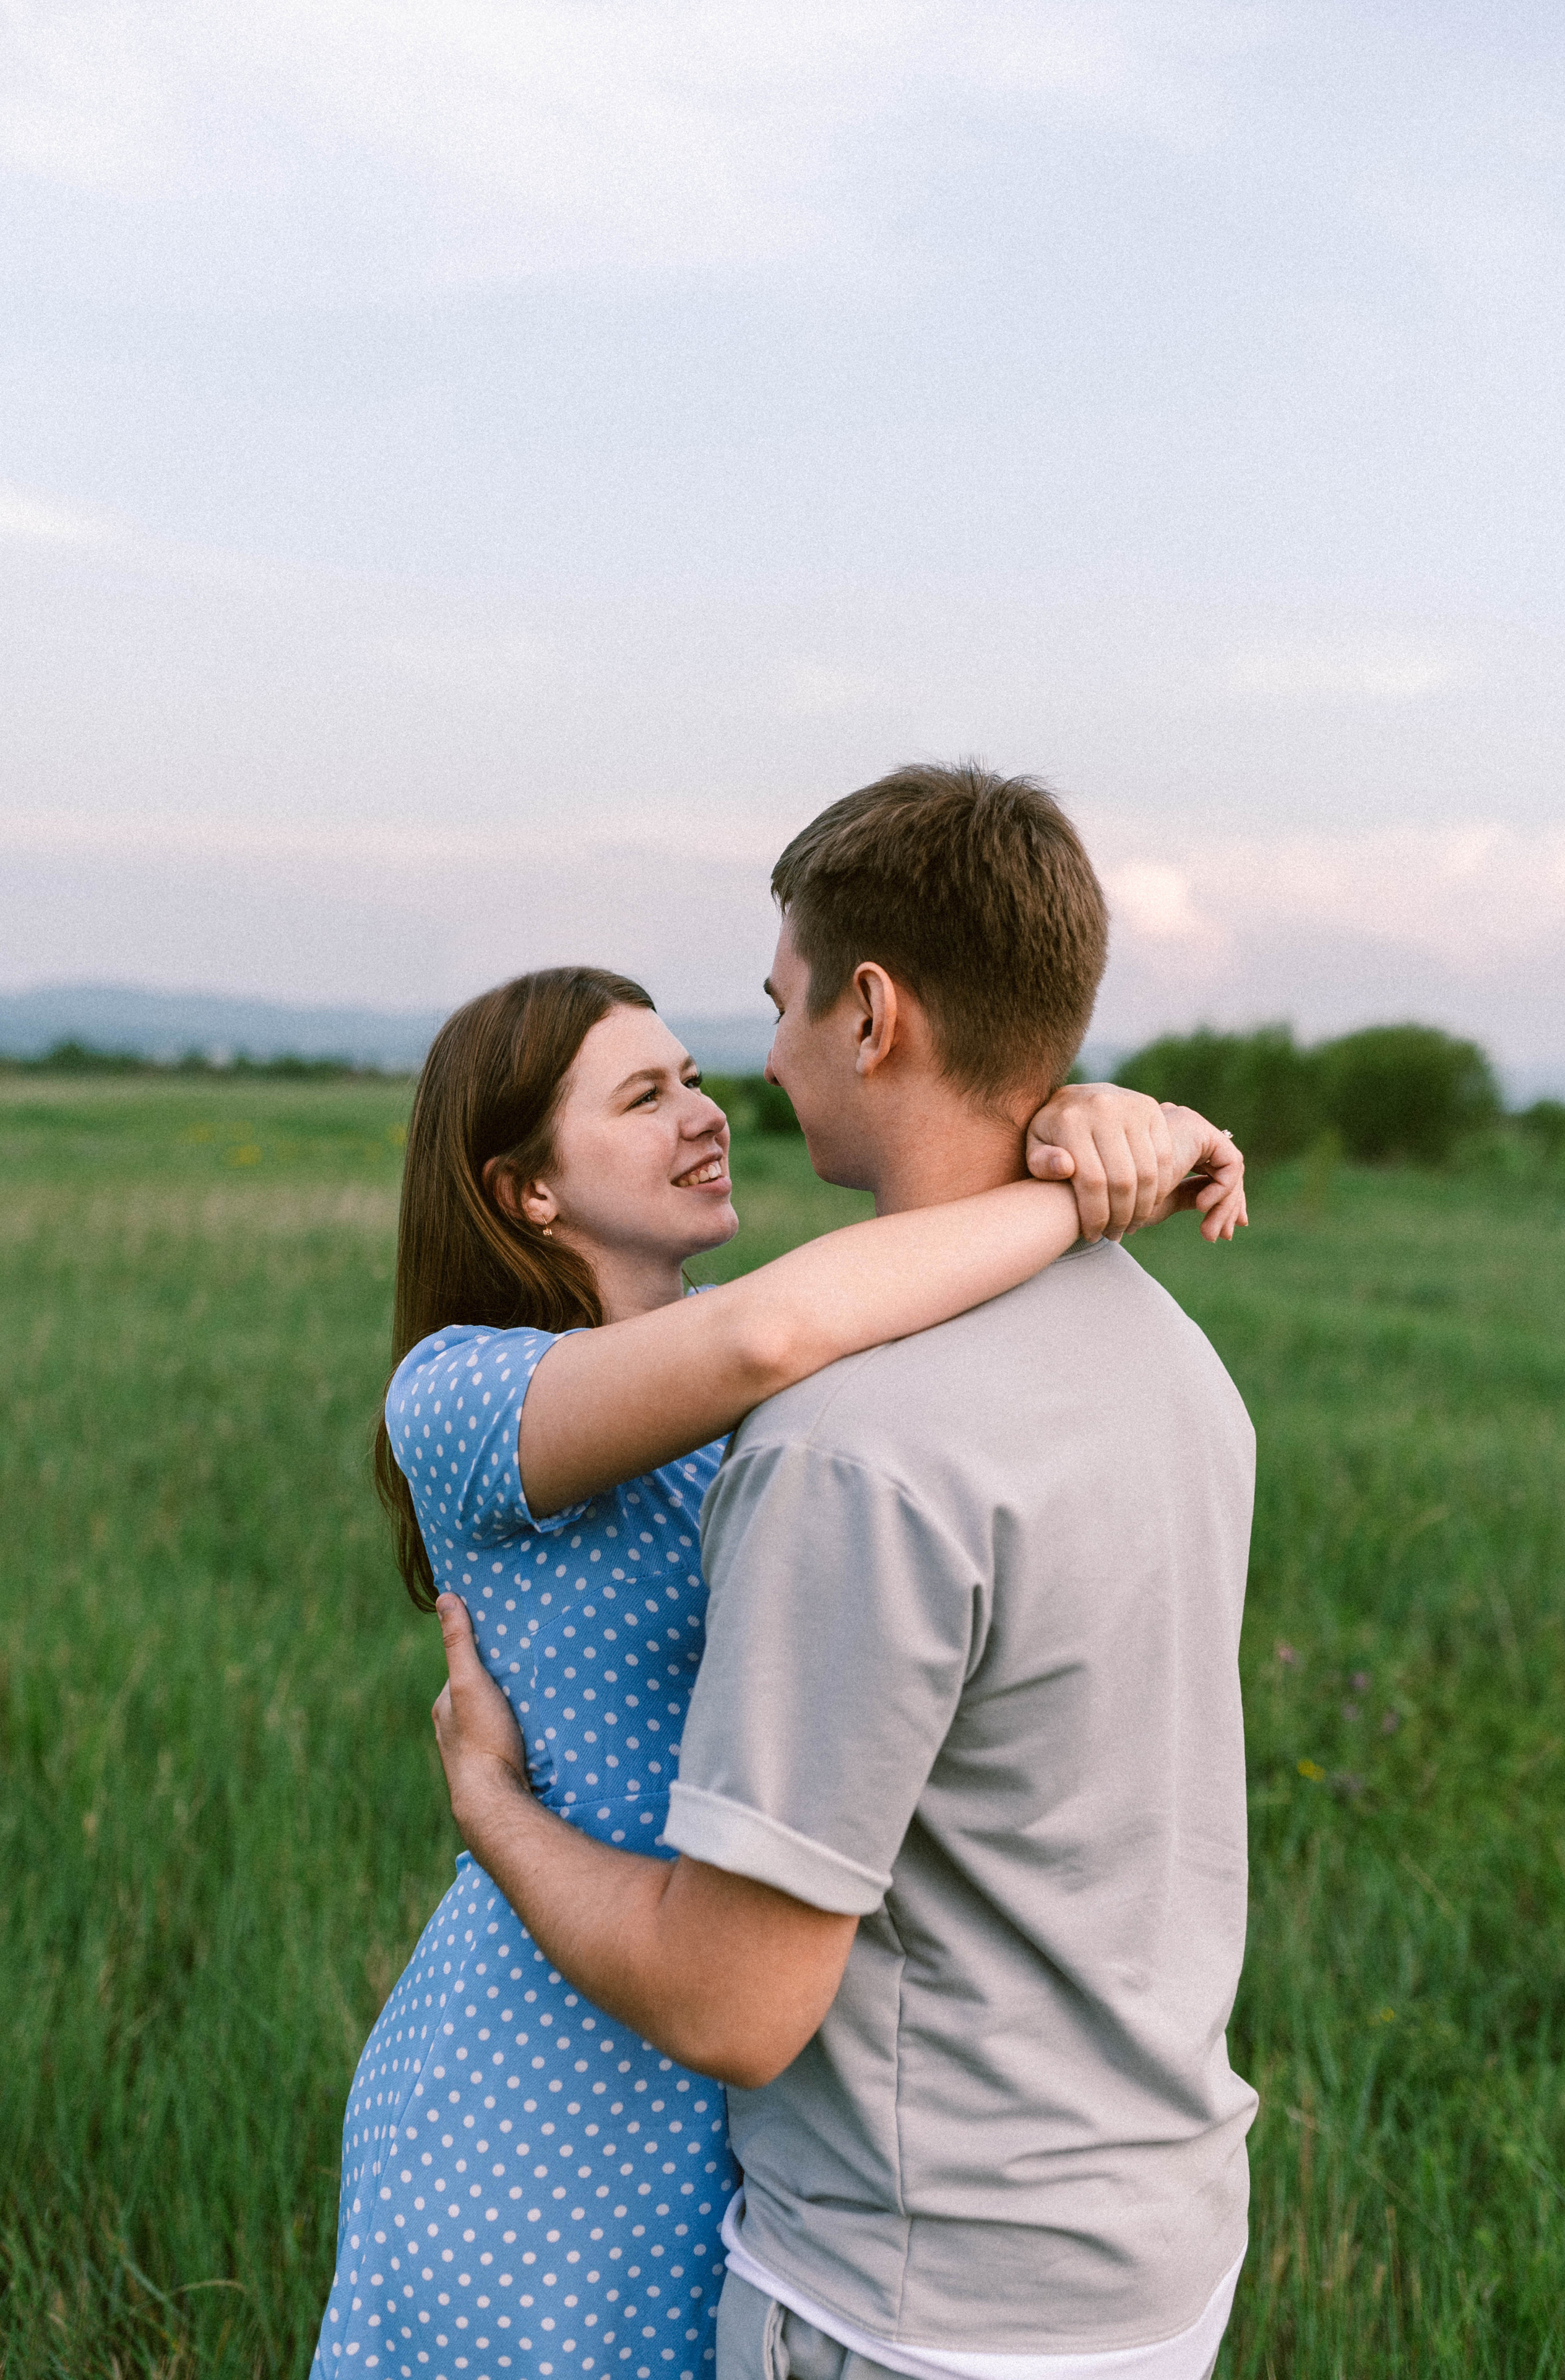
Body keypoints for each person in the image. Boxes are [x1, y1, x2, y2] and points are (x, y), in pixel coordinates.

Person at [312, 925, 1246, 2380]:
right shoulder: (466, 1391)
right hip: (547, 2069)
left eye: (691, 1074)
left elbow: (856, 1303)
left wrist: (1080, 1121)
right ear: (524, 1188)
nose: (704, 1109)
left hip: (739, 2055)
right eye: (641, 1098)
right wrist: (1080, 1195)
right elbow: (776, 1331)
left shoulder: (777, 1379)